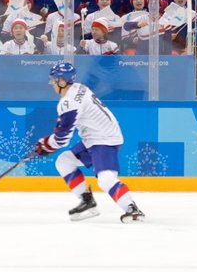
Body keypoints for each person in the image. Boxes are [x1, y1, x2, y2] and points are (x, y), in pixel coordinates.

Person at [35, 62, 145, 223]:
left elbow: (62, 138)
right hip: (95, 138)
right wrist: (48, 144)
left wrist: (46, 144)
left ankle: (132, 209)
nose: (52, 83)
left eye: (54, 79)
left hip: (104, 139)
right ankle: (87, 201)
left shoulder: (68, 103)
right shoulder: (79, 87)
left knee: (106, 178)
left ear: (62, 81)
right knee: (64, 161)